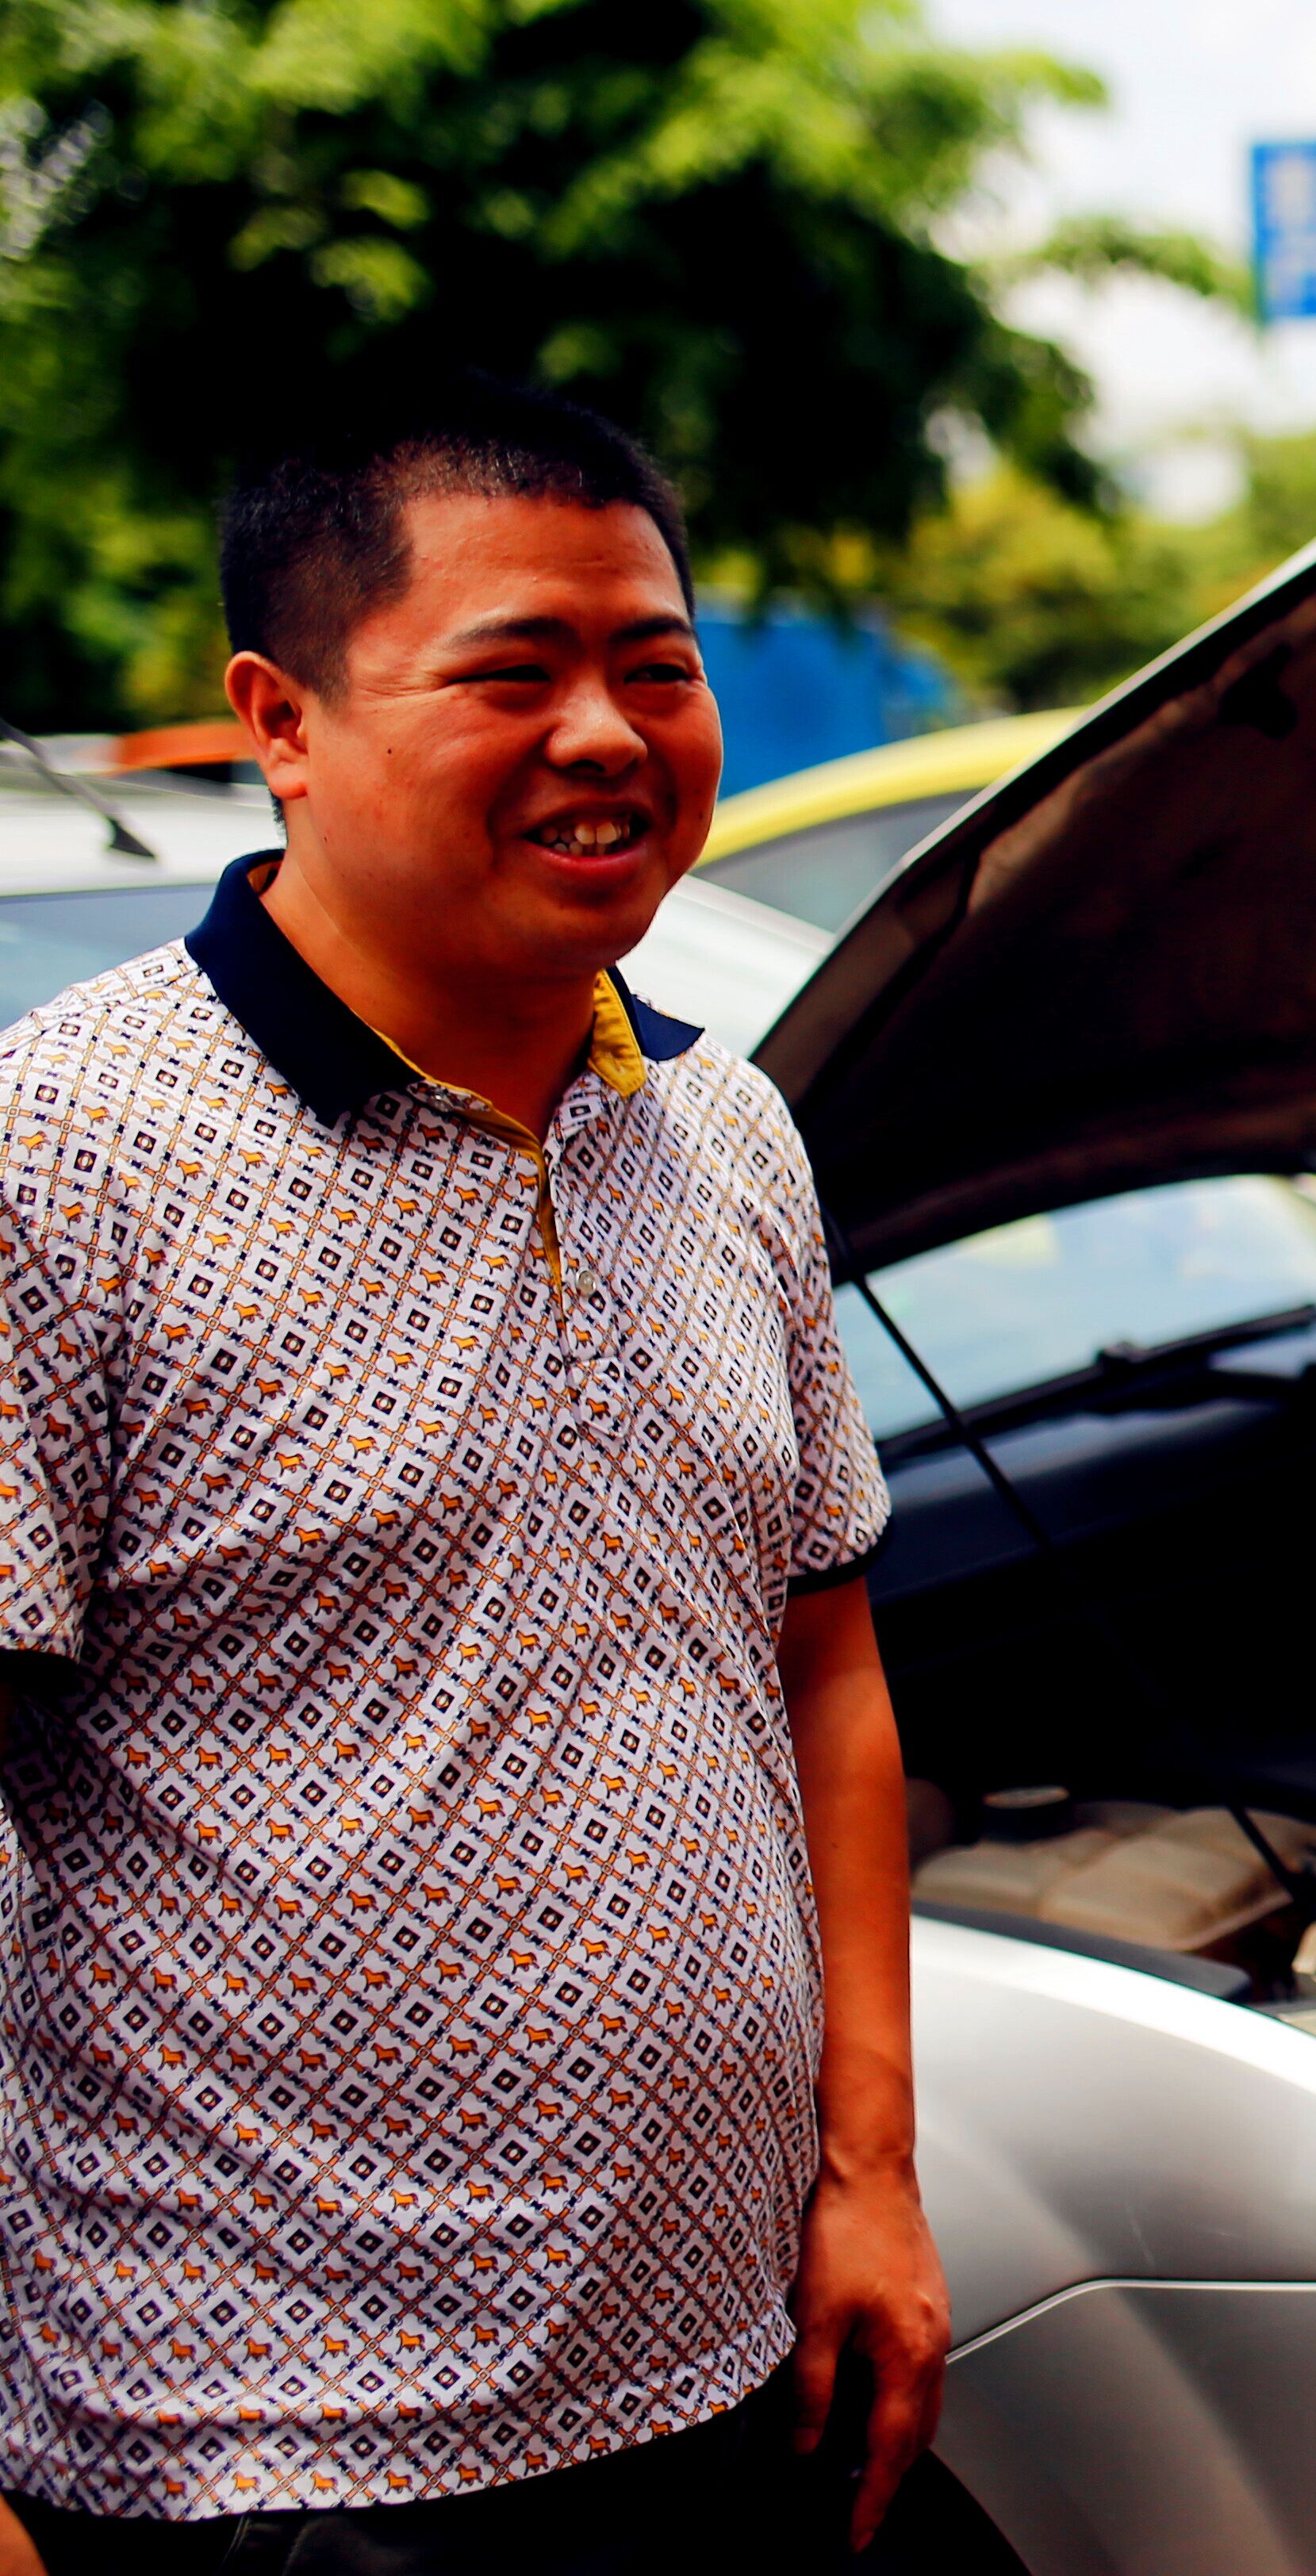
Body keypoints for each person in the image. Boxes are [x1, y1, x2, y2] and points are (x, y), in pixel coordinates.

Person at [0, 378, 940, 2573]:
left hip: (733, 2382)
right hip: (261, 2455)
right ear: (285, 719)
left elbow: (826, 1671)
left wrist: (872, 2176)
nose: (607, 733)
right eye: (513, 671)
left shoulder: (725, 1130)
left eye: (657, 663)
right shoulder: (61, 1157)